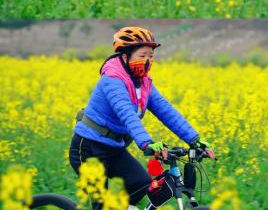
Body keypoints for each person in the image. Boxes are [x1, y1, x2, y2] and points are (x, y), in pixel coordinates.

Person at [68, 27, 212, 210]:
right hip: (88, 148)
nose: (148, 61)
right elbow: (127, 113)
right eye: (142, 55)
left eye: (151, 56)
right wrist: (147, 143)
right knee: (102, 204)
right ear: (125, 56)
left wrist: (194, 139)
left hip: (114, 149)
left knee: (142, 184)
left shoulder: (144, 82)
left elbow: (166, 111)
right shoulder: (112, 79)